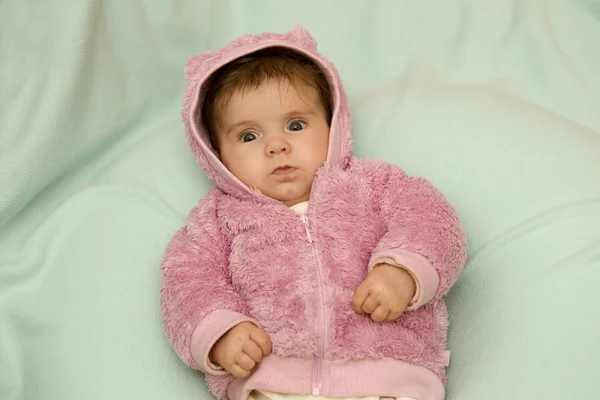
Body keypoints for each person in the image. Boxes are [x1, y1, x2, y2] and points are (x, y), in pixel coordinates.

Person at [160, 27, 467, 400]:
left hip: (388, 377)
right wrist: (219, 331)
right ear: (216, 153)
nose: (277, 146)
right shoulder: (216, 220)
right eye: (248, 136)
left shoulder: (373, 185)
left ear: (333, 124)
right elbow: (186, 282)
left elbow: (432, 220)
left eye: (296, 125)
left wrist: (403, 271)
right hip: (272, 382)